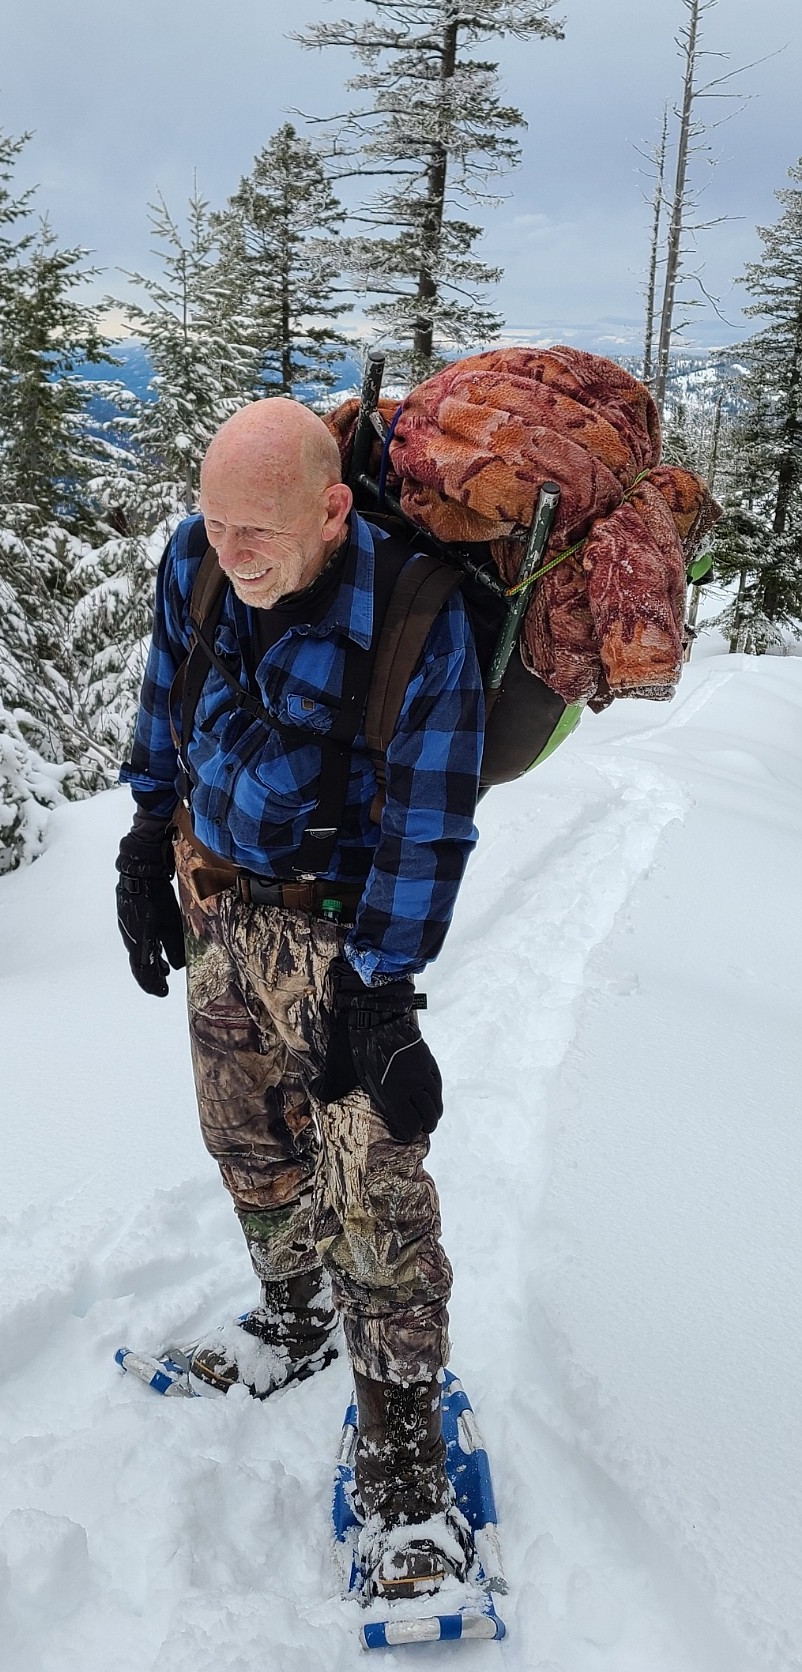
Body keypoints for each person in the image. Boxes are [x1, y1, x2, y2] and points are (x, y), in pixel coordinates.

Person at [116, 397, 484, 1599]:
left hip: (339, 939)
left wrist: (381, 998)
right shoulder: (198, 556)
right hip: (216, 900)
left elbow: (428, 828)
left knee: (375, 1199)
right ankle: (290, 1313)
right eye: (215, 523)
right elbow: (168, 695)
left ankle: (401, 1465)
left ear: (333, 510)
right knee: (244, 1137)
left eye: (256, 531)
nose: (229, 550)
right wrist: (139, 840)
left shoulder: (416, 619)